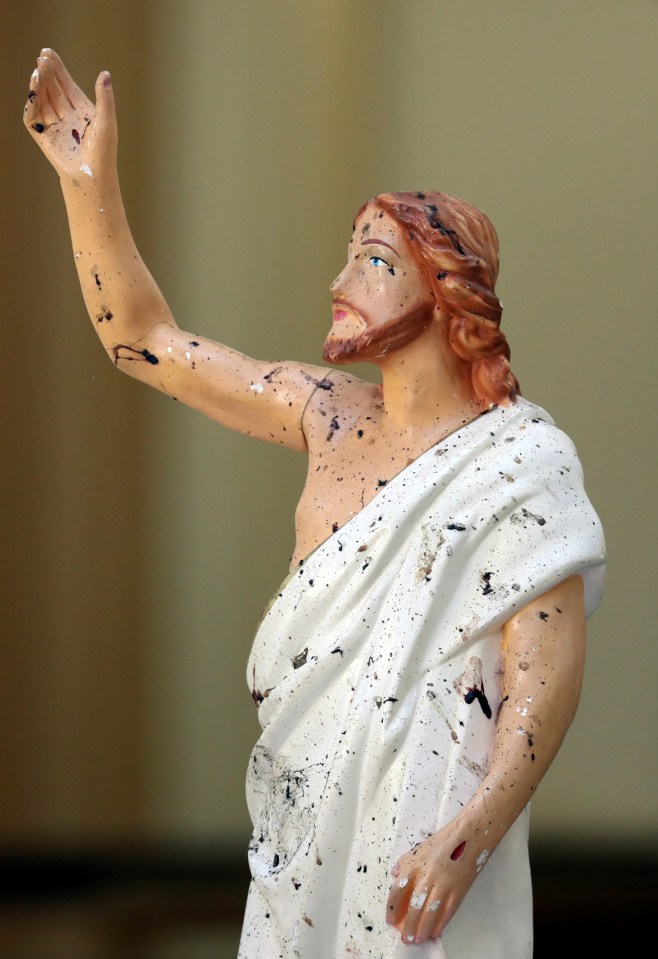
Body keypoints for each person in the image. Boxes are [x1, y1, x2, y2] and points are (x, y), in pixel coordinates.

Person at [24, 49, 605, 958]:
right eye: (351, 257)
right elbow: (144, 341)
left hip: (431, 818)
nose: (340, 282)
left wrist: (466, 840)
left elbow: (544, 680)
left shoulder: (521, 463)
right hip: (307, 808)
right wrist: (85, 181)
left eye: (374, 262)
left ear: (446, 294)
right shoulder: (324, 412)